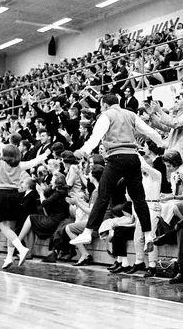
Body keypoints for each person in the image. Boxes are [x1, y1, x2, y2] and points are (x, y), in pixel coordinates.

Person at [72, 94, 163, 250]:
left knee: (103, 194)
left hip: (116, 157)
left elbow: (96, 137)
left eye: (101, 106)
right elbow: (150, 132)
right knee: (139, 198)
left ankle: (87, 232)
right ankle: (148, 235)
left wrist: (83, 150)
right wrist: (161, 143)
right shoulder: (131, 114)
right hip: (133, 157)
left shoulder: (106, 116)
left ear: (105, 105)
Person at [0, 144, 49, 269]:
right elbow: (33, 162)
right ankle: (9, 258)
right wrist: (45, 155)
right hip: (15, 195)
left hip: (1, 195)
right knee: (11, 228)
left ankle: (21, 249)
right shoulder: (20, 165)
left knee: (4, 228)